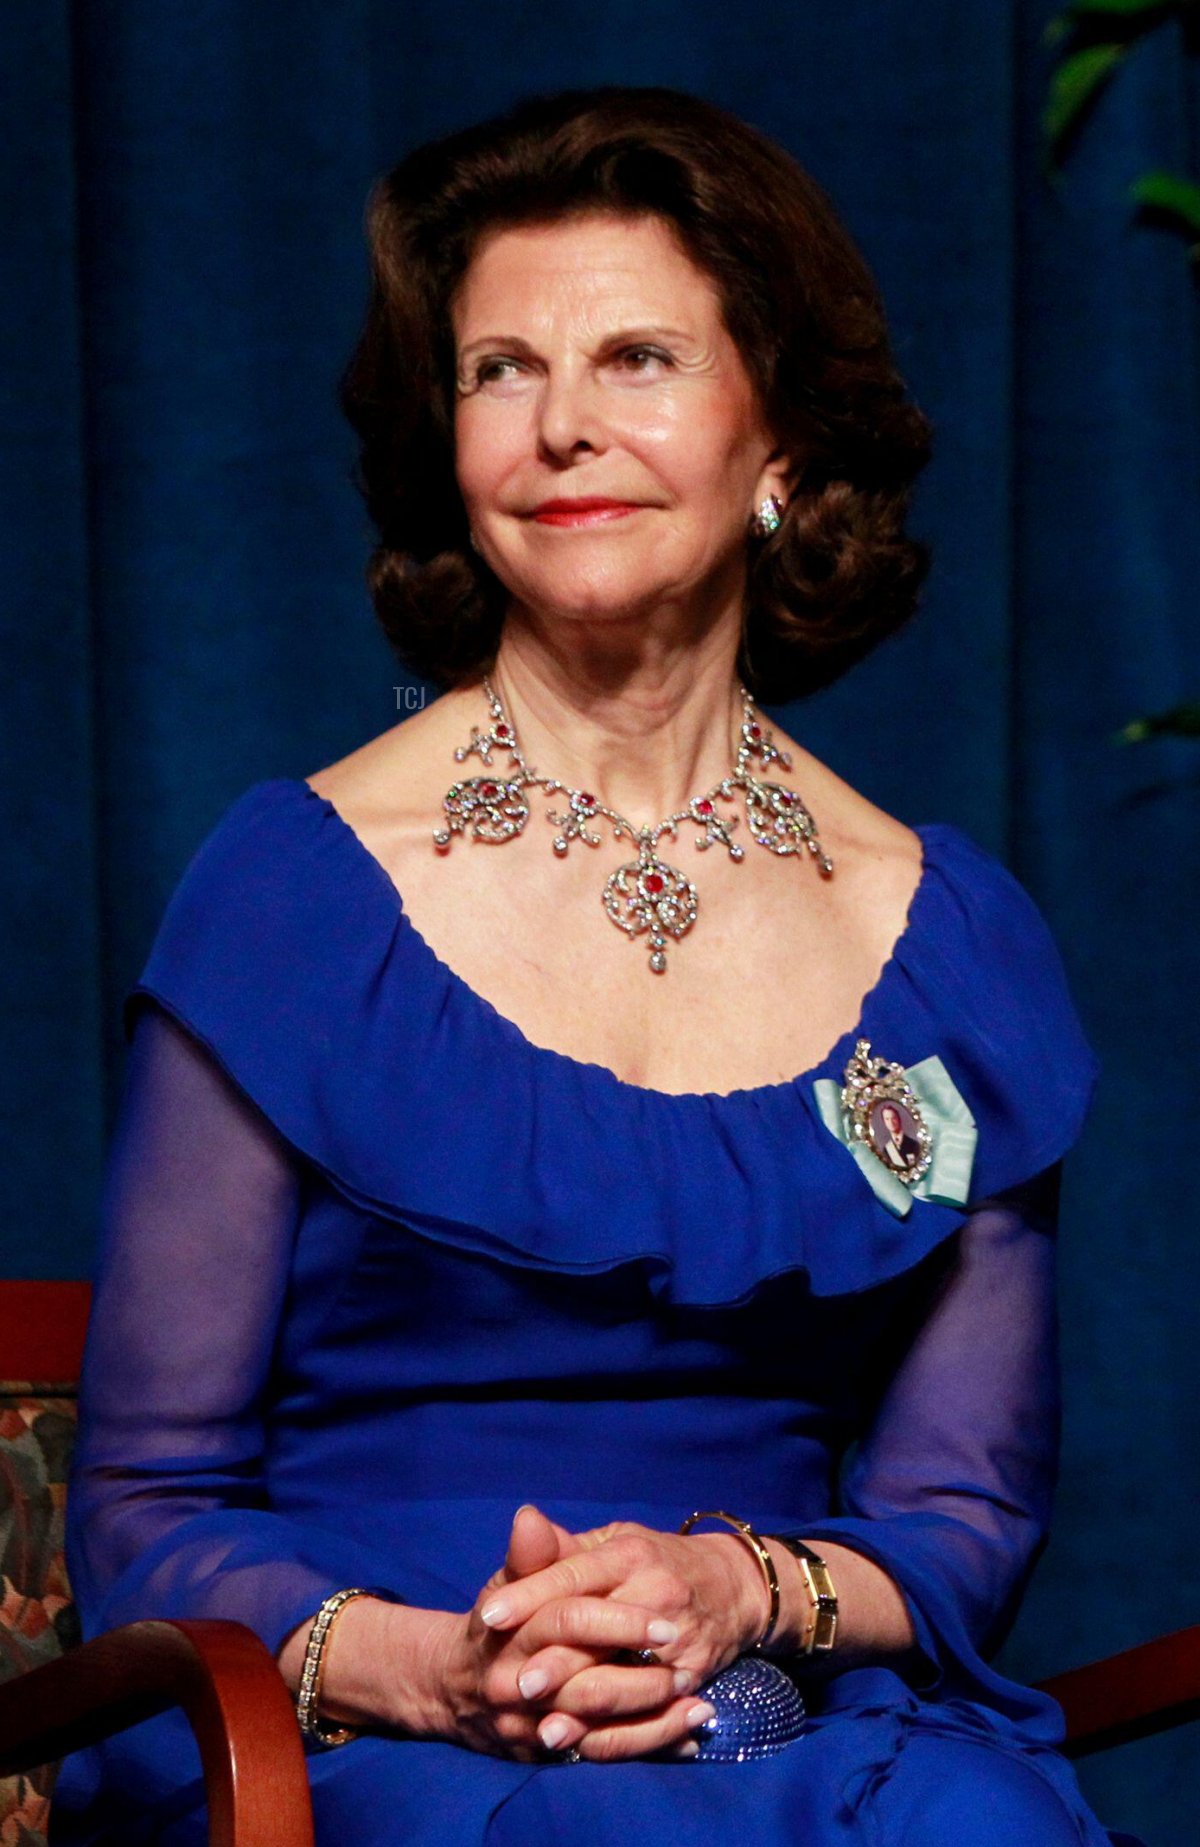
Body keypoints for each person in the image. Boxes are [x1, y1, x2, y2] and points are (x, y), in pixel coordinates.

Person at [51, 86, 1145, 1846]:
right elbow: (145, 1505)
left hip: (769, 1705)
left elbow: (962, 1514)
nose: (562, 426)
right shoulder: (295, 895)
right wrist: (441, 1668)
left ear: (781, 437)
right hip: (355, 1739)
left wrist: (738, 1591)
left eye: (638, 358)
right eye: (500, 371)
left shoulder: (952, 945)